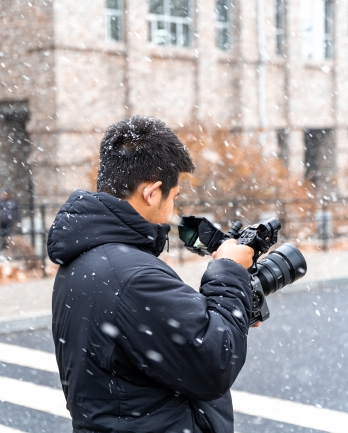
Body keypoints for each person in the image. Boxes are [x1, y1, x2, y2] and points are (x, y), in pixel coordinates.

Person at [47, 115, 255, 433]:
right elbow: (215, 364)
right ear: (152, 193)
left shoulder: (84, 258)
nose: (173, 208)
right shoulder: (132, 277)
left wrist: (227, 311)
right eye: (173, 197)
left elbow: (152, 341)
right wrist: (229, 272)